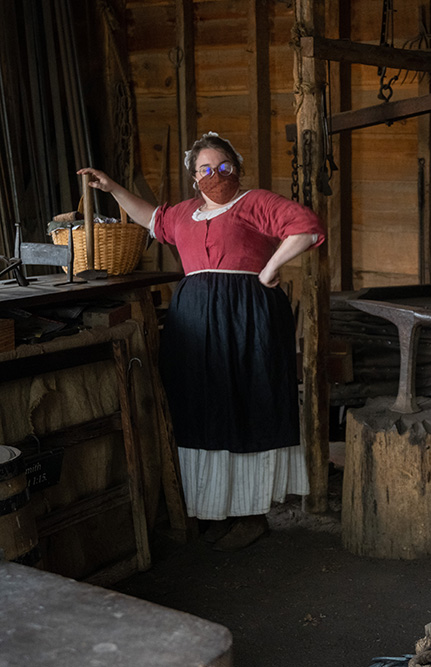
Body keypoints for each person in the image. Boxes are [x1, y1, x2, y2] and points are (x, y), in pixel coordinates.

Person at [79, 131, 326, 550]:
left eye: (223, 166)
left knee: (247, 402)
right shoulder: (184, 214)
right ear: (195, 177)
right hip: (195, 322)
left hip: (249, 320)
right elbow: (151, 217)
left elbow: (306, 228)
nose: (215, 175)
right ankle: (216, 511)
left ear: (238, 168)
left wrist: (269, 269)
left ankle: (251, 515)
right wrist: (113, 188)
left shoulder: (256, 203)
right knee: (202, 406)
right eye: (205, 169)